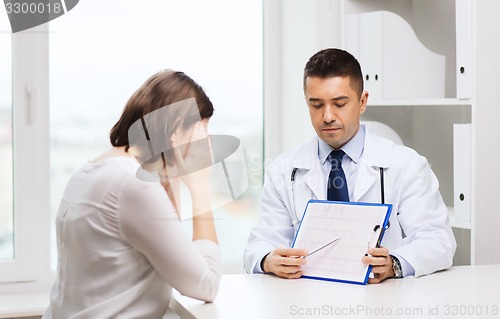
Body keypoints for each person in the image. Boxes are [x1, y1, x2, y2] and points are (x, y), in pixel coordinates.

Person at [243, 48, 456, 284]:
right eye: (316, 105)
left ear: (362, 101)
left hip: (381, 303)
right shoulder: (283, 171)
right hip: (307, 302)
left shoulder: (406, 165)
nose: (327, 116)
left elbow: (438, 240)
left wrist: (393, 264)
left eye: (339, 103)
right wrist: (268, 260)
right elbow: (258, 244)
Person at [44, 70, 221, 318]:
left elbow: (170, 254)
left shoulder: (97, 169)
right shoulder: (134, 184)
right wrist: (201, 187)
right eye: (202, 132)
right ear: (177, 130)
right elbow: (206, 285)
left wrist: (175, 173)